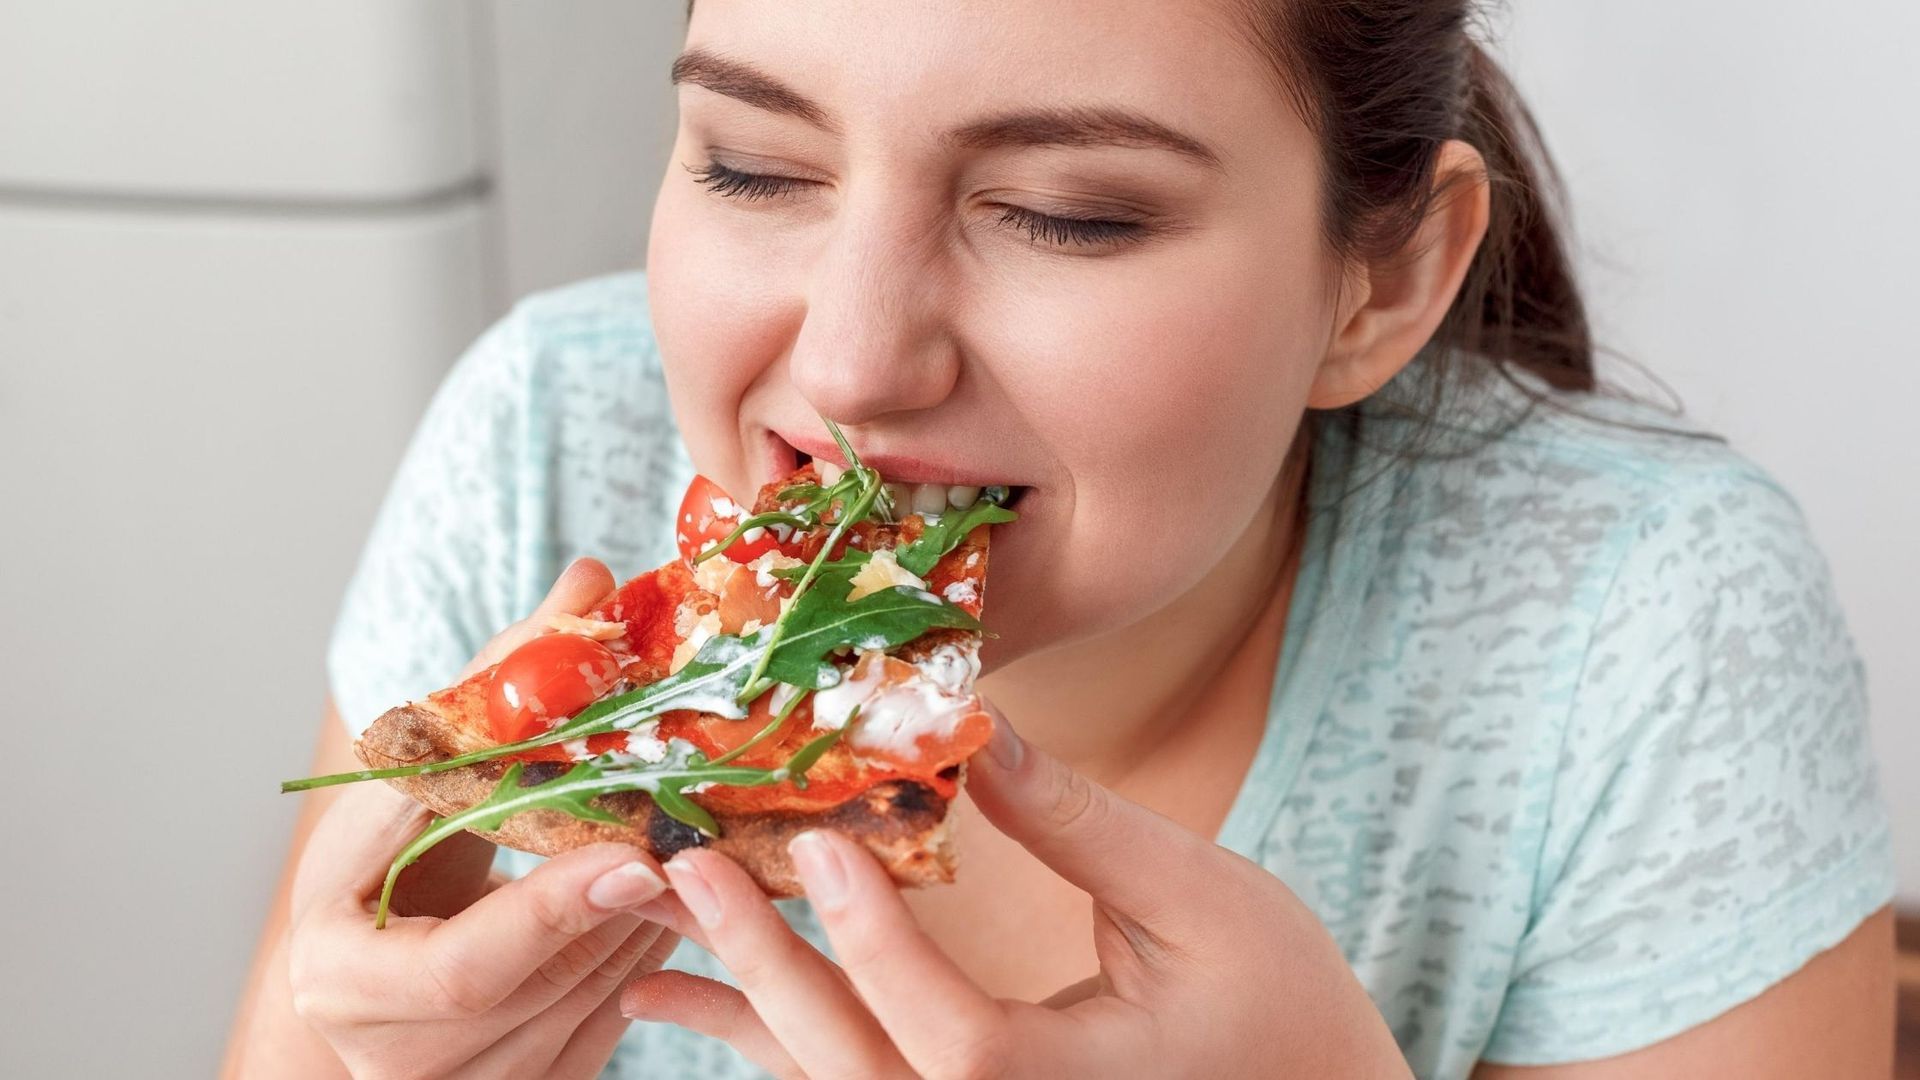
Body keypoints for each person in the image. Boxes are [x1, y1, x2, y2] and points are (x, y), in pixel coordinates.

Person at [224, 2, 1898, 1077]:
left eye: (1064, 213)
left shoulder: (1647, 628)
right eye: (751, 165)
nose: (857, 361)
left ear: (1378, 281)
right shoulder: (541, 442)